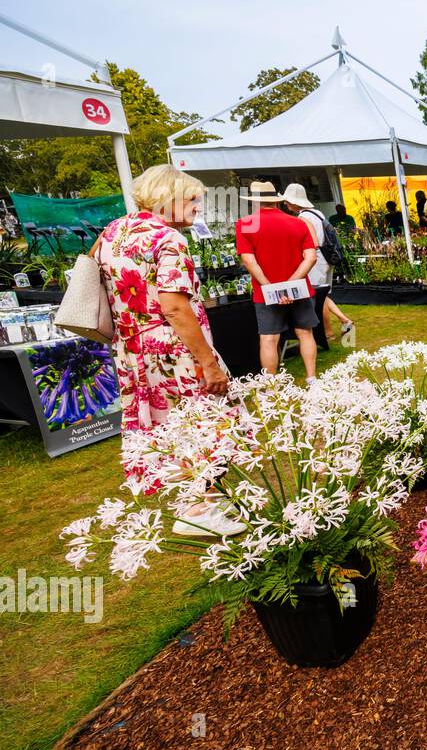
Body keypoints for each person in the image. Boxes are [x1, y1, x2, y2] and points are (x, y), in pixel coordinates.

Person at [95, 164, 240, 537]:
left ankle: (197, 501)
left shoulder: (114, 231)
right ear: (169, 199)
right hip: (173, 350)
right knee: (206, 424)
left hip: (133, 350)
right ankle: (198, 509)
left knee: (166, 427)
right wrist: (208, 361)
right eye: (192, 200)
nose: (197, 208)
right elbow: (174, 306)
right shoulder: (168, 240)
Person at [235, 180, 320, 380]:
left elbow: (248, 260)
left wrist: (272, 289)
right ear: (277, 201)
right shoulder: (299, 223)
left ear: (254, 202)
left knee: (269, 339)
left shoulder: (245, 224)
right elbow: (311, 257)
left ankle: (271, 386)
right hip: (299, 288)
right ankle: (311, 378)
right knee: (305, 333)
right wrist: (289, 286)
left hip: (265, 292)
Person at [282, 183, 353, 345]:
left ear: (294, 201)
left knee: (318, 296)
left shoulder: (303, 218)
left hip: (316, 260)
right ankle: (344, 320)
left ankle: (328, 332)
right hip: (326, 257)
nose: (285, 204)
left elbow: (311, 242)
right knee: (323, 294)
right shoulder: (317, 213)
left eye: (287, 201)